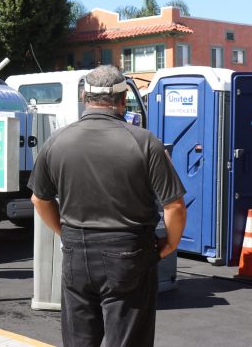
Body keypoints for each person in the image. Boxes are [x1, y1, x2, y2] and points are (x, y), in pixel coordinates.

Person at [29, 65, 187, 347]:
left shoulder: (57, 141)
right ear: (123, 98)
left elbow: (39, 199)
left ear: (83, 97)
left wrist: (63, 233)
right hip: (129, 251)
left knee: (79, 340)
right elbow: (173, 206)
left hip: (76, 249)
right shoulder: (145, 142)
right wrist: (170, 245)